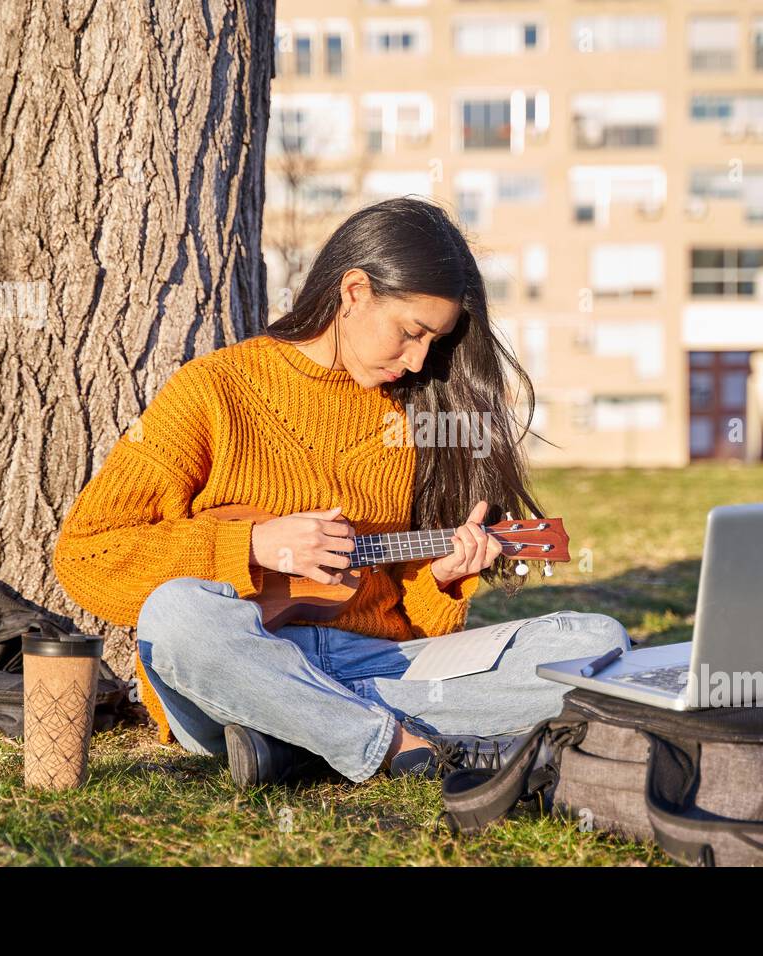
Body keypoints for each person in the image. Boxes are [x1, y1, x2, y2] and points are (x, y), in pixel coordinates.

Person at [51, 197, 630, 786]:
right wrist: (253, 544)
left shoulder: (415, 417)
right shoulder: (213, 391)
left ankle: (300, 737)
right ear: (354, 291)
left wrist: (444, 579)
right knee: (176, 616)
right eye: (411, 332)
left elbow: (417, 627)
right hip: (242, 657)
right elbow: (85, 556)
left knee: (594, 641)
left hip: (371, 666)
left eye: (435, 341)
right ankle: (388, 743)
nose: (420, 359)